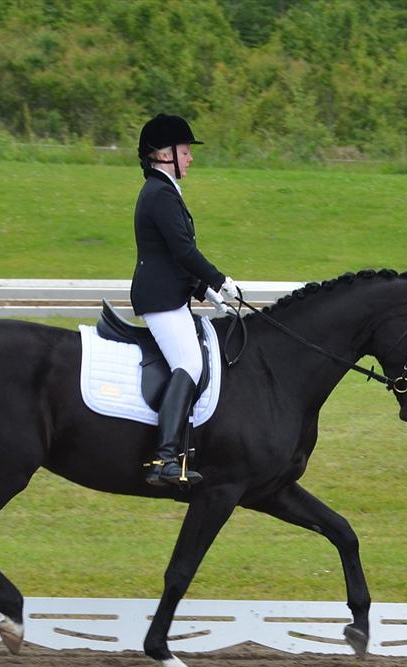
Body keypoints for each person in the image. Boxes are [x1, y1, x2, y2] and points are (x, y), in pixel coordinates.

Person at [131, 113, 241, 487]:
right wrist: (220, 280)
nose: (190, 158)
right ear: (163, 155)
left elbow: (170, 258)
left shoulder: (164, 192)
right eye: (185, 151)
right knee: (190, 364)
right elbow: (182, 250)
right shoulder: (159, 194)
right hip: (160, 300)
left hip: (169, 293)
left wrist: (203, 291)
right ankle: (164, 459)